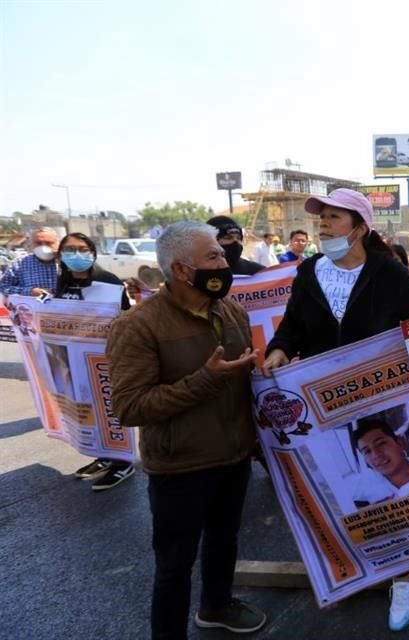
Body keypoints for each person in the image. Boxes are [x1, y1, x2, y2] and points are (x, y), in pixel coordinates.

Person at [260, 188, 409, 631]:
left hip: (385, 397)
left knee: (397, 488)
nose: (322, 224)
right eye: (320, 217)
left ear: (360, 228)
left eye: (333, 218)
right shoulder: (308, 271)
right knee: (346, 492)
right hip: (327, 403)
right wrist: (280, 350)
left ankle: (404, 572)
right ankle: (364, 564)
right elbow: (293, 326)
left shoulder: (387, 270)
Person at [106, 221, 266, 639]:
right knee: (174, 565)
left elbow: (242, 381)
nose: (225, 261)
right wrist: (205, 380)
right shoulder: (138, 325)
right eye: (213, 256)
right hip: (179, 468)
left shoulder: (231, 310)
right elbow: (129, 406)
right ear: (180, 270)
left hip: (233, 456)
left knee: (224, 540)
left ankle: (217, 606)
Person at [53, 233, 136, 490]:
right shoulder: (63, 283)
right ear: (61, 255)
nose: (77, 255)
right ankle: (105, 455)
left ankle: (123, 462)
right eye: (70, 250)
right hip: (75, 360)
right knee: (90, 409)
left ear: (93, 252)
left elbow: (125, 317)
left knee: (111, 409)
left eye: (83, 249)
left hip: (106, 359)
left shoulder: (107, 282)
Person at [351, 420, 409, 508]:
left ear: (400, 443)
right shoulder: (364, 485)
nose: (376, 455)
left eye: (381, 444)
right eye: (367, 451)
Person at [0, 227, 59, 297]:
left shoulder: (66, 261)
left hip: (66, 306)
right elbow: (3, 287)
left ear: (58, 244)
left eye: (49, 243)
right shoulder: (19, 263)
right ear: (31, 245)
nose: (43, 247)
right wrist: (30, 291)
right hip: (34, 306)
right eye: (38, 243)